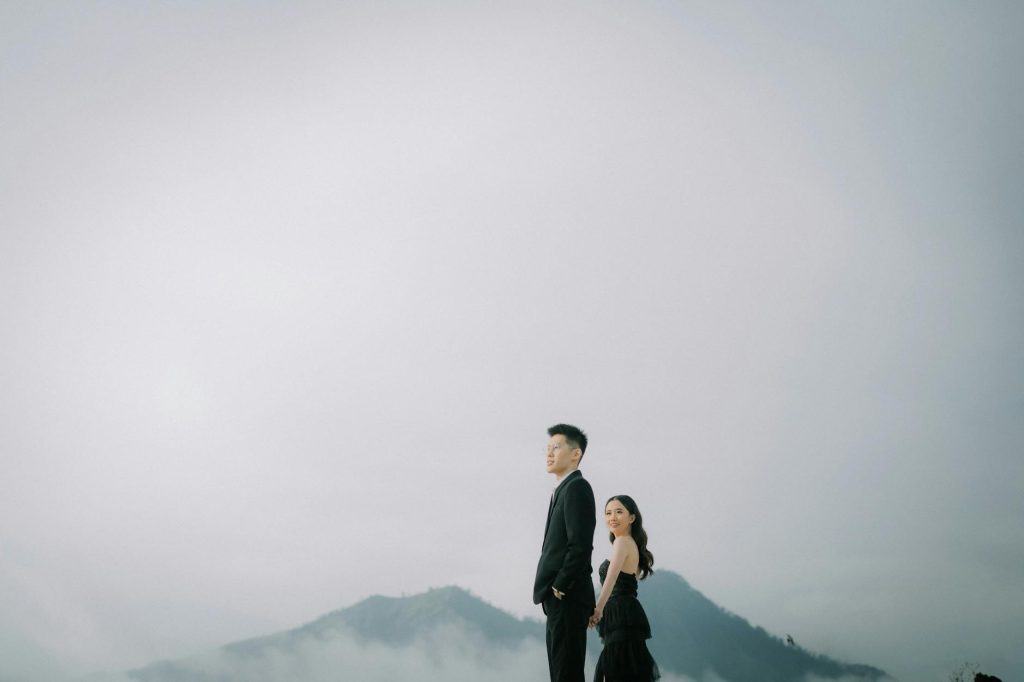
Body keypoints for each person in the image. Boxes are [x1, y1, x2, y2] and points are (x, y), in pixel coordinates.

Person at [534, 423, 597, 682]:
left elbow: (580, 545)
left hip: (567, 597)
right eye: (547, 448)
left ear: (575, 454)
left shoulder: (577, 488)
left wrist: (559, 586)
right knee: (561, 672)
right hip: (558, 598)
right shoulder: (563, 489)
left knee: (566, 673)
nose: (549, 453)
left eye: (556, 447)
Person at [589, 495, 660, 682]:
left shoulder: (622, 542)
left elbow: (611, 579)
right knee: (626, 670)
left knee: (618, 670)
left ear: (632, 518)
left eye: (619, 512)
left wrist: (597, 610)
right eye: (608, 513)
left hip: (620, 612)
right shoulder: (631, 544)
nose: (612, 517)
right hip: (625, 612)